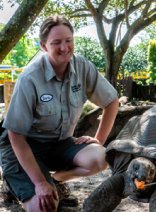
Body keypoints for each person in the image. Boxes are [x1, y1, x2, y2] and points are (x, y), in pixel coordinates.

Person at [0, 15, 119, 212]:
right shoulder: (30, 77)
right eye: (56, 43)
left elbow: (111, 101)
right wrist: (39, 184)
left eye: (68, 41)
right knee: (45, 206)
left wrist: (98, 139)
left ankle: (55, 181)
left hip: (58, 144)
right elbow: (15, 135)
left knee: (101, 157)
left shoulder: (82, 66)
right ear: (43, 46)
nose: (64, 48)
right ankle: (21, 183)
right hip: (22, 148)